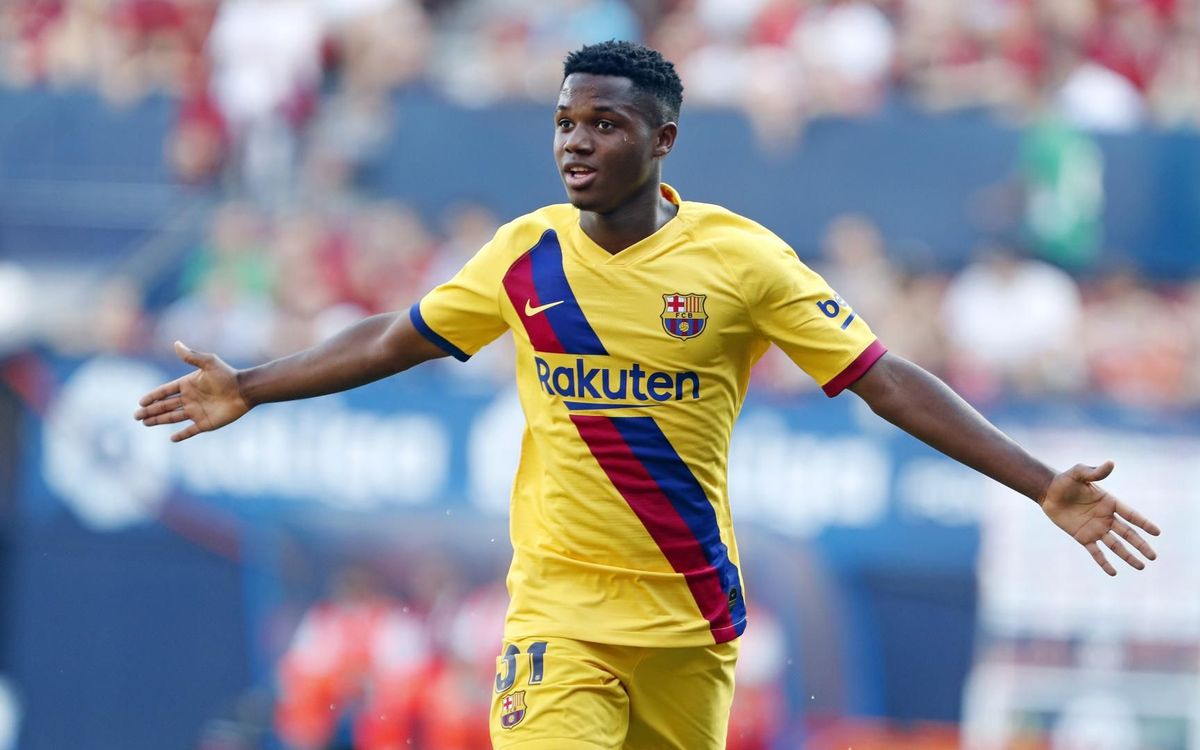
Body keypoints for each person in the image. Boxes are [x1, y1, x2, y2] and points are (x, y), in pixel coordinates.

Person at [135, 40, 1160, 750]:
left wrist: (1038, 482)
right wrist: (253, 385)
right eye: (564, 123)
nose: (576, 143)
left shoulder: (742, 261)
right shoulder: (525, 253)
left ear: (662, 141)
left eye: (605, 124)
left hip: (690, 622)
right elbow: (398, 336)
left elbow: (883, 378)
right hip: (557, 615)